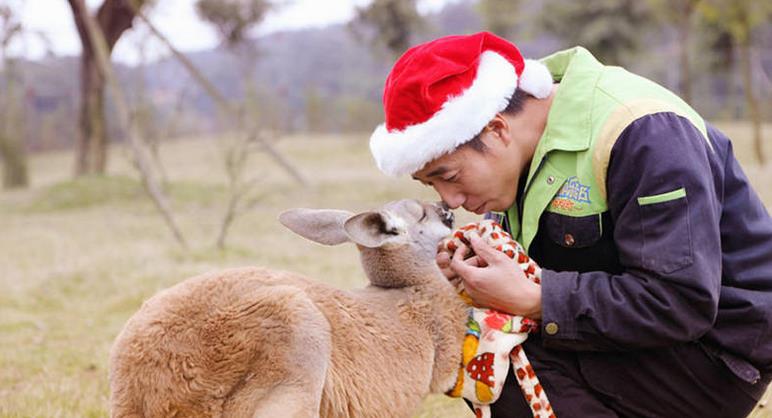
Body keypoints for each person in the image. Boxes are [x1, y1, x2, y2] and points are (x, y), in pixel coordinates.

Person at [368, 31, 772, 417]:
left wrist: (537, 299)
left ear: (496, 130)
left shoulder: (644, 134)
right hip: (636, 338)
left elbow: (682, 303)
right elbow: (529, 266)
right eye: (431, 185)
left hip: (718, 353)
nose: (450, 200)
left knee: (497, 357)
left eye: (450, 177)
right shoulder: (522, 148)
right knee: (476, 342)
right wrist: (475, 273)